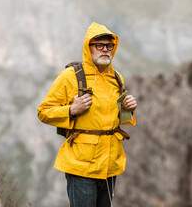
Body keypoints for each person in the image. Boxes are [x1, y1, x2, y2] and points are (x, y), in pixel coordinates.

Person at [37, 22, 137, 207]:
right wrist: (71, 110)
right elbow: (43, 112)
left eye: (109, 45)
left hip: (109, 165)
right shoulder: (70, 76)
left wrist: (128, 109)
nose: (105, 49)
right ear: (88, 48)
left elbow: (118, 119)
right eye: (99, 45)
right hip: (81, 166)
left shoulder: (116, 78)